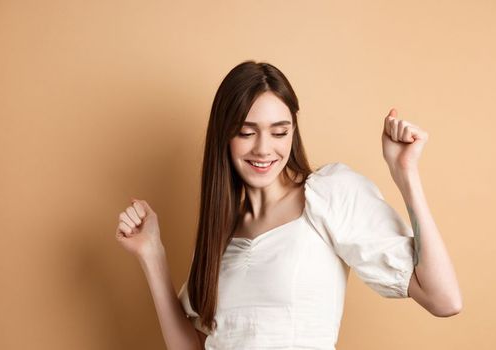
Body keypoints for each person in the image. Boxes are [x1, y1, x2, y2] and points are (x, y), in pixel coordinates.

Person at [115, 61, 462, 350]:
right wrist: (152, 254)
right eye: (247, 132)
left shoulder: (329, 194)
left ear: (293, 131)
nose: (264, 149)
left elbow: (444, 299)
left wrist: (406, 174)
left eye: (279, 132)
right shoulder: (219, 232)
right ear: (224, 135)